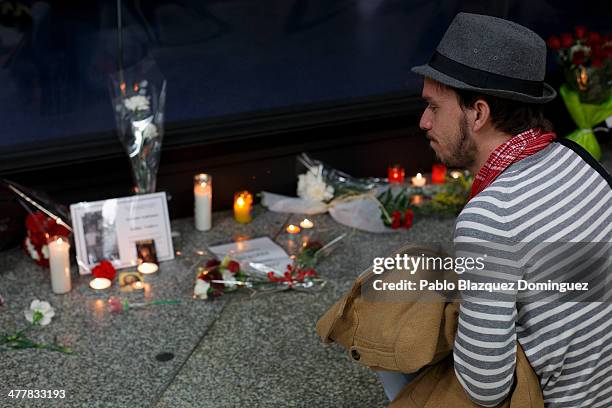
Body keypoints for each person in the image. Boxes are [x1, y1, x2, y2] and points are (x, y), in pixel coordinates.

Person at [375, 12, 612, 406]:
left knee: (390, 310)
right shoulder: (577, 160)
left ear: (479, 113)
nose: (423, 121)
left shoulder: (491, 214)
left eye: (434, 107)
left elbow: (486, 389)